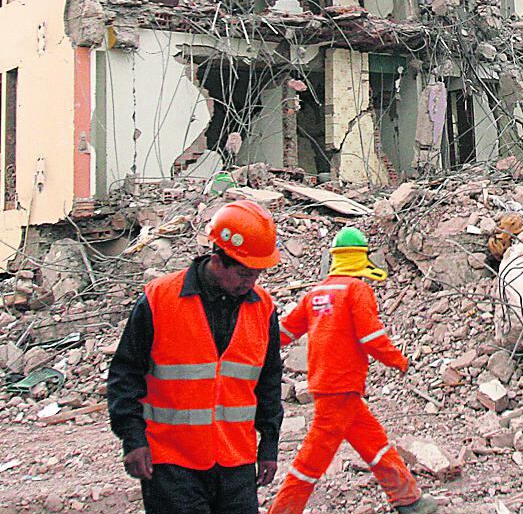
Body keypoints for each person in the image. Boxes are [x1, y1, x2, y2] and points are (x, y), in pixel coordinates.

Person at [107, 199, 285, 514]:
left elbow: (268, 382)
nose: (250, 283)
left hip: (236, 462)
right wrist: (133, 439)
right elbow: (125, 375)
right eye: (244, 273)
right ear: (218, 259)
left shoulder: (263, 309)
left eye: (257, 274)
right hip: (172, 464)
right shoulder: (160, 300)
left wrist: (268, 445)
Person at [267, 227, 436, 514]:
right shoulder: (357, 290)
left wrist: (254, 339)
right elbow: (371, 337)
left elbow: (283, 332)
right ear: (361, 259)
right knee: (312, 460)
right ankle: (282, 510)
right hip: (341, 387)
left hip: (331, 387)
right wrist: (399, 361)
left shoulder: (315, 294)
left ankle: (408, 499)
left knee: (375, 443)